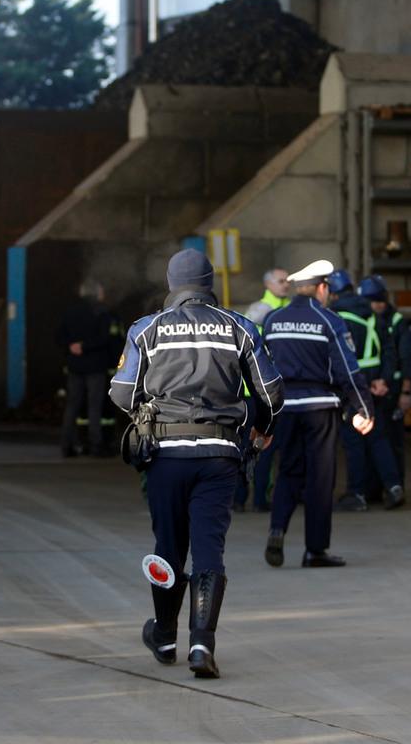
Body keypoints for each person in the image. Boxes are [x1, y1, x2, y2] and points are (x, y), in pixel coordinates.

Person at [109, 248, 283, 679]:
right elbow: (272, 392)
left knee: (168, 547)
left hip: (166, 457)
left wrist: (151, 409)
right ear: (210, 283)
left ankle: (164, 636)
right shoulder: (239, 327)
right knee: (209, 548)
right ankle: (201, 644)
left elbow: (121, 394)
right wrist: (259, 426)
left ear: (171, 284)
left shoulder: (145, 330)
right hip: (219, 456)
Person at [261, 259, 376, 568]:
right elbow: (347, 371)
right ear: (322, 289)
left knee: (287, 471)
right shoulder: (328, 321)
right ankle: (315, 550)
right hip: (320, 408)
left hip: (285, 407)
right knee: (320, 479)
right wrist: (363, 407)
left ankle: (277, 529)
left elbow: (263, 368)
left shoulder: (273, 320)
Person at [327, 269, 396, 512]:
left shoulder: (335, 316)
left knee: (353, 440)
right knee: (378, 437)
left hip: (352, 383)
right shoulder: (371, 314)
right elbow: (388, 349)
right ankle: (394, 486)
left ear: (332, 293)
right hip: (374, 382)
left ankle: (356, 493)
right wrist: (383, 379)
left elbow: (337, 356)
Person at [234, 267, 289, 512]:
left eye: (287, 281)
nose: (286, 284)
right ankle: (243, 498)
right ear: (268, 284)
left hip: (267, 389)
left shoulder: (286, 308)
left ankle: (257, 498)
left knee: (264, 448)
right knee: (250, 445)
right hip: (254, 392)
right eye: (281, 281)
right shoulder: (259, 312)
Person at [361, 275, 411, 508]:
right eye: (372, 301)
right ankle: (375, 489)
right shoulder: (366, 320)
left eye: (379, 300)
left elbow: (408, 359)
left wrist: (405, 392)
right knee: (372, 442)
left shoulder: (397, 323)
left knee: (391, 442)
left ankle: (395, 488)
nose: (377, 305)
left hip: (391, 392)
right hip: (374, 390)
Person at [56, 278, 117, 457]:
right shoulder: (102, 312)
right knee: (94, 407)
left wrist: (71, 346)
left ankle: (66, 445)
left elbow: (59, 335)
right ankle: (95, 445)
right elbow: (105, 338)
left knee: (72, 407)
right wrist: (86, 346)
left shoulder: (70, 311)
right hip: (96, 367)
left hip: (75, 366)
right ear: (97, 293)